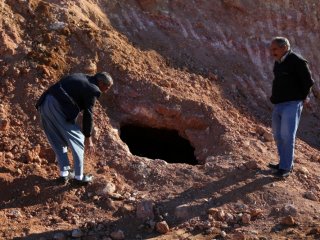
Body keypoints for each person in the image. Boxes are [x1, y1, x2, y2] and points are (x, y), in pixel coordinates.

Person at [36, 72, 113, 184]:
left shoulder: (80, 76)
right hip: (57, 107)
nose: (107, 89)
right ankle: (79, 177)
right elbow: (88, 114)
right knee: (79, 140)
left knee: (58, 140)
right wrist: (88, 137)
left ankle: (64, 175)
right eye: (107, 86)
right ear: (101, 82)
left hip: (44, 103)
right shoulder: (93, 89)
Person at [268, 37, 314, 178]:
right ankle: (283, 164)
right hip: (279, 103)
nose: (272, 52)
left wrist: (303, 97)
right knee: (278, 135)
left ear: (284, 48)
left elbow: (308, 82)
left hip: (292, 103)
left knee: (288, 136)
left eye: (275, 49)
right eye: (271, 49)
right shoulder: (279, 62)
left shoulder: (297, 61)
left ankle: (286, 168)